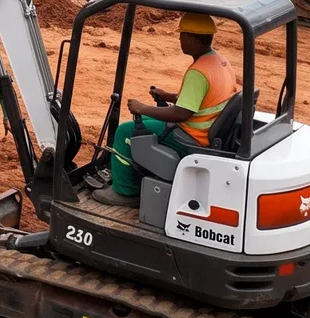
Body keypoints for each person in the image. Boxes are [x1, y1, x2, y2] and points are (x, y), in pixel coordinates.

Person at [96, 11, 239, 206]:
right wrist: (168, 96)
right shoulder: (219, 61)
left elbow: (181, 113)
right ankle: (132, 176)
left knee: (124, 132)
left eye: (182, 35)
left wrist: (142, 107)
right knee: (144, 124)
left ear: (192, 38)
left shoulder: (198, 72)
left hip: (193, 136)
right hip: (208, 128)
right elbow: (202, 99)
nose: (179, 39)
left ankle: (125, 193)